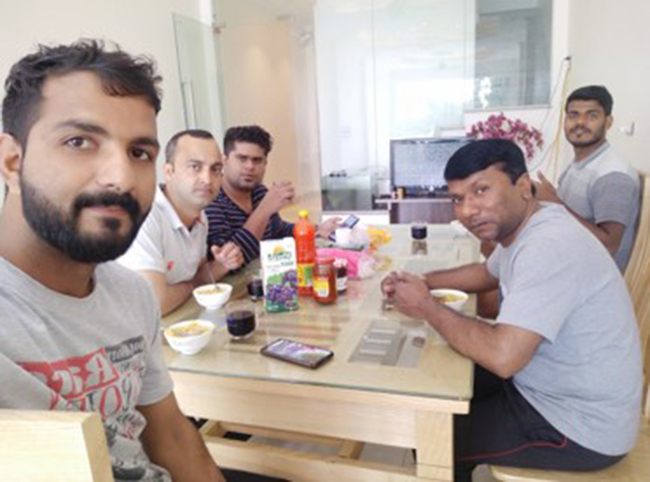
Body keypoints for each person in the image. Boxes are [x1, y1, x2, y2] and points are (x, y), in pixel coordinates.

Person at [0, 40, 228, 481]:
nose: (121, 178)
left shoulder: (130, 293)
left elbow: (171, 437)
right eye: (79, 142)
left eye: (139, 153)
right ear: (12, 161)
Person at [381, 139, 642, 481]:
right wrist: (422, 281)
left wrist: (426, 307)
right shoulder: (536, 222)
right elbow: (486, 273)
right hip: (547, 384)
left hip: (580, 426)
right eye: (458, 198)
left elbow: (504, 357)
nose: (467, 210)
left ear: (523, 186)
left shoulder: (548, 245)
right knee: (445, 377)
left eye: (481, 190)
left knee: (434, 436)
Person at [117, 129, 243, 315]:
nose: (207, 179)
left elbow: (198, 275)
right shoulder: (143, 216)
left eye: (215, 169)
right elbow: (156, 304)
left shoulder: (201, 217)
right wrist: (194, 285)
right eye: (195, 167)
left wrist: (222, 264)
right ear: (169, 172)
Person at [535, 85, 640, 272]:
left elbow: (609, 245)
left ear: (608, 123)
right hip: (568, 256)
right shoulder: (580, 164)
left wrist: (556, 203)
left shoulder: (612, 176)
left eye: (592, 116)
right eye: (573, 115)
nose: (580, 122)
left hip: (590, 276)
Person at [205, 125, 338, 265]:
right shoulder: (211, 201)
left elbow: (278, 230)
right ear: (224, 160)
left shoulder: (259, 192)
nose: (250, 166)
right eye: (242, 158)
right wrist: (265, 209)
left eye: (257, 160)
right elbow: (229, 262)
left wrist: (316, 230)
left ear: (265, 164)